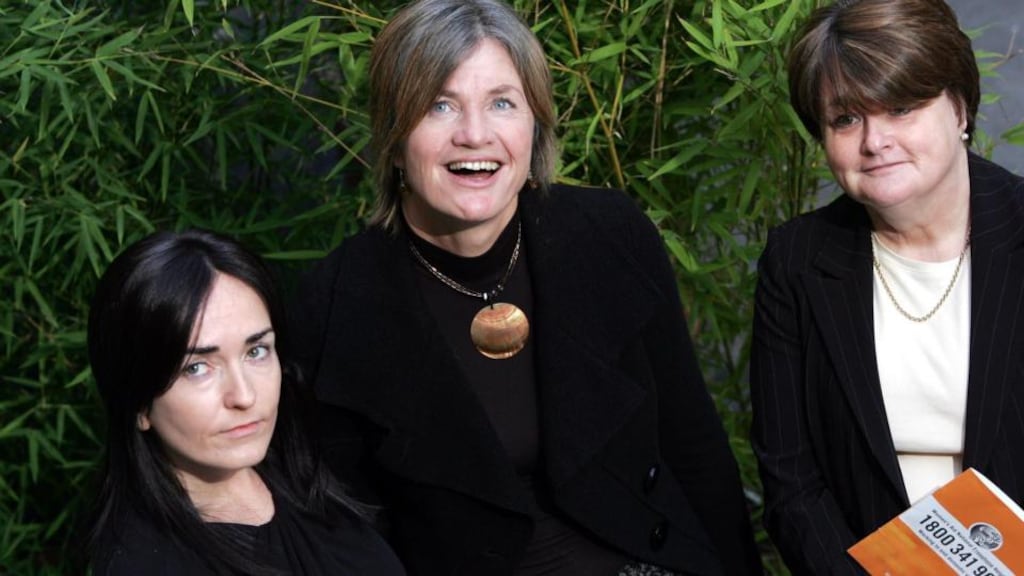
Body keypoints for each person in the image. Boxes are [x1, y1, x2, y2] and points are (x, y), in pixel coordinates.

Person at [289, 1, 762, 575]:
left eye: (502, 103)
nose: (474, 135)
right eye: (439, 105)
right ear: (394, 133)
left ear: (534, 121)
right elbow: (350, 533)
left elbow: (694, 446)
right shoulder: (336, 303)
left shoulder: (608, 235)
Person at [750, 0, 1024, 573]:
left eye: (901, 108)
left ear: (960, 107)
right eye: (846, 119)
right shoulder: (796, 261)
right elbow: (791, 479)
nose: (875, 141)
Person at [86, 229, 406, 575]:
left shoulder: (312, 477)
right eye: (196, 368)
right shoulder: (146, 563)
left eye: (256, 351)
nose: (244, 395)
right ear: (138, 403)